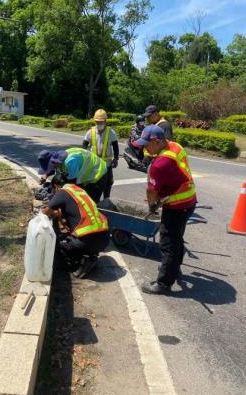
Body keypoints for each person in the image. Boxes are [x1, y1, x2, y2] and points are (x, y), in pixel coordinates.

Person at [133, 125, 197, 295]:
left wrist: (152, 204)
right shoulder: (176, 146)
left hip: (177, 206)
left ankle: (164, 283)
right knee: (177, 238)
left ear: (158, 141)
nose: (145, 148)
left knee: (168, 244)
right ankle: (175, 267)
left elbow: (151, 191)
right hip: (189, 200)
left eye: (147, 144)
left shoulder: (160, 164)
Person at [41, 174, 109, 278]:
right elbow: (74, 213)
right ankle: (91, 256)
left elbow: (45, 212)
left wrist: (45, 211)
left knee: (57, 243)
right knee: (77, 238)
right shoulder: (79, 190)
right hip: (104, 240)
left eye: (53, 190)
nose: (54, 193)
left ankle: (77, 264)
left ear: (56, 186)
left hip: (87, 242)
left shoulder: (62, 191)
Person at [37, 147, 107, 203]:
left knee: (91, 202)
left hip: (98, 173)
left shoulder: (70, 162)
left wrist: (53, 196)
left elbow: (71, 186)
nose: (51, 168)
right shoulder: (59, 159)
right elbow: (58, 174)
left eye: (50, 166)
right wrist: (46, 175)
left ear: (55, 162)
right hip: (87, 176)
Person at [82, 109, 119, 199]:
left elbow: (115, 146)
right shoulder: (90, 132)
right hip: (94, 163)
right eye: (97, 121)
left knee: (108, 182)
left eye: (101, 122)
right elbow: (84, 145)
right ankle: (95, 200)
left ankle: (106, 199)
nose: (99, 123)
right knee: (94, 183)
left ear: (105, 121)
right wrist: (84, 157)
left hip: (107, 164)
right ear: (94, 121)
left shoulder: (111, 132)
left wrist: (116, 158)